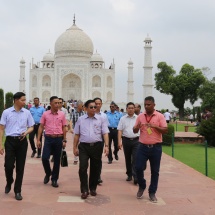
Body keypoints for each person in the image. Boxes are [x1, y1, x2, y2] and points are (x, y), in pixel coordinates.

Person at [0, 92, 34, 201]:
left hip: (22, 141)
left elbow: (31, 126)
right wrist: (0, 144)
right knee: (8, 166)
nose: (24, 102)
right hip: (10, 141)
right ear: (15, 100)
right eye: (22, 100)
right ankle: (9, 180)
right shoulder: (6, 112)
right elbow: (1, 128)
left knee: (20, 167)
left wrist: (26, 132)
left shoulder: (27, 113)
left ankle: (17, 190)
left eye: (25, 100)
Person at [133, 96, 167, 203]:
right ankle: (142, 185)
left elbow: (165, 130)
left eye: (149, 104)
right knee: (138, 167)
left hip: (156, 147)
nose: (146, 106)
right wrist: (137, 127)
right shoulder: (140, 116)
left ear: (154, 105)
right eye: (145, 105)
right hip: (142, 147)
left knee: (155, 171)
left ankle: (152, 192)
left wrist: (154, 126)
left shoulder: (159, 116)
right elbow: (134, 130)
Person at [73, 100, 109, 199]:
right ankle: (84, 190)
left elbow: (105, 133)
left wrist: (106, 146)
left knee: (95, 168)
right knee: (82, 168)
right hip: (84, 146)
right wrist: (74, 147)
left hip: (97, 146)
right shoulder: (81, 119)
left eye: (95, 107)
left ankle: (93, 188)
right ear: (85, 108)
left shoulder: (101, 119)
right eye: (91, 107)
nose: (94, 108)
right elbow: (76, 134)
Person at [37, 96, 67, 188]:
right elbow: (41, 126)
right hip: (48, 139)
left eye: (59, 103)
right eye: (55, 103)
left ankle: (54, 179)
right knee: (44, 158)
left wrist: (64, 139)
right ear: (51, 103)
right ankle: (48, 172)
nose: (57, 104)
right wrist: (38, 139)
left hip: (58, 138)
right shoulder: (45, 114)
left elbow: (64, 127)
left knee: (57, 160)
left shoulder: (62, 114)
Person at [118, 102, 139, 185]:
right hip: (126, 140)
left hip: (136, 140)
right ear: (126, 109)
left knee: (135, 158)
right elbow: (120, 130)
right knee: (127, 158)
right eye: (129, 108)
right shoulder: (123, 119)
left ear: (134, 109)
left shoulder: (138, 118)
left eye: (132, 108)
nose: (131, 109)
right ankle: (129, 174)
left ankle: (135, 176)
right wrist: (119, 141)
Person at [93, 97, 109, 184]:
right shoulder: (89, 114)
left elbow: (105, 130)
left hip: (100, 139)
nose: (97, 105)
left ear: (101, 104)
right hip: (90, 139)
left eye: (99, 104)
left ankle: (98, 176)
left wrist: (107, 145)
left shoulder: (103, 116)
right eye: (96, 103)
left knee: (98, 158)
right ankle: (93, 175)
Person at [70, 100, 85, 165]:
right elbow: (70, 121)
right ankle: (76, 159)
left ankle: (82, 158)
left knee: (82, 145)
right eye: (82, 106)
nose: (83, 107)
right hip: (75, 131)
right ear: (78, 106)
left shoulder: (84, 113)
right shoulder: (73, 113)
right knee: (75, 144)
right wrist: (71, 128)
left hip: (82, 131)